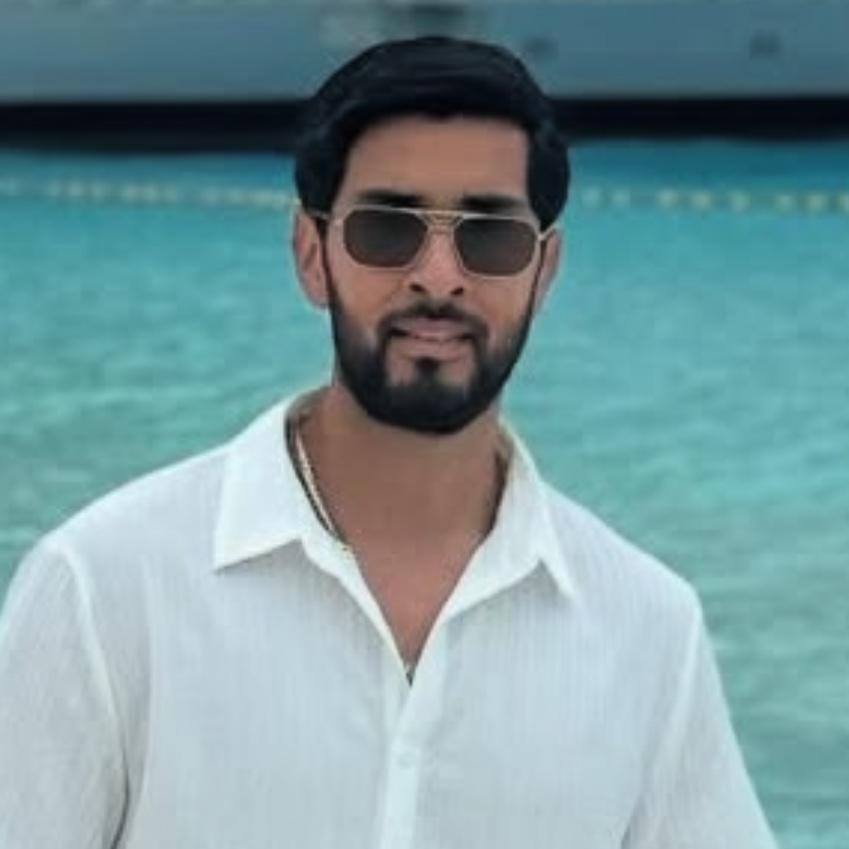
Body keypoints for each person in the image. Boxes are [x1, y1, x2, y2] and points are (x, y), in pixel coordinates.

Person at [0, 35, 778, 849]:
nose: (438, 275)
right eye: (386, 229)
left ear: (543, 271)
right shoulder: (106, 588)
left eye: (488, 236)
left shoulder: (647, 628)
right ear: (311, 255)